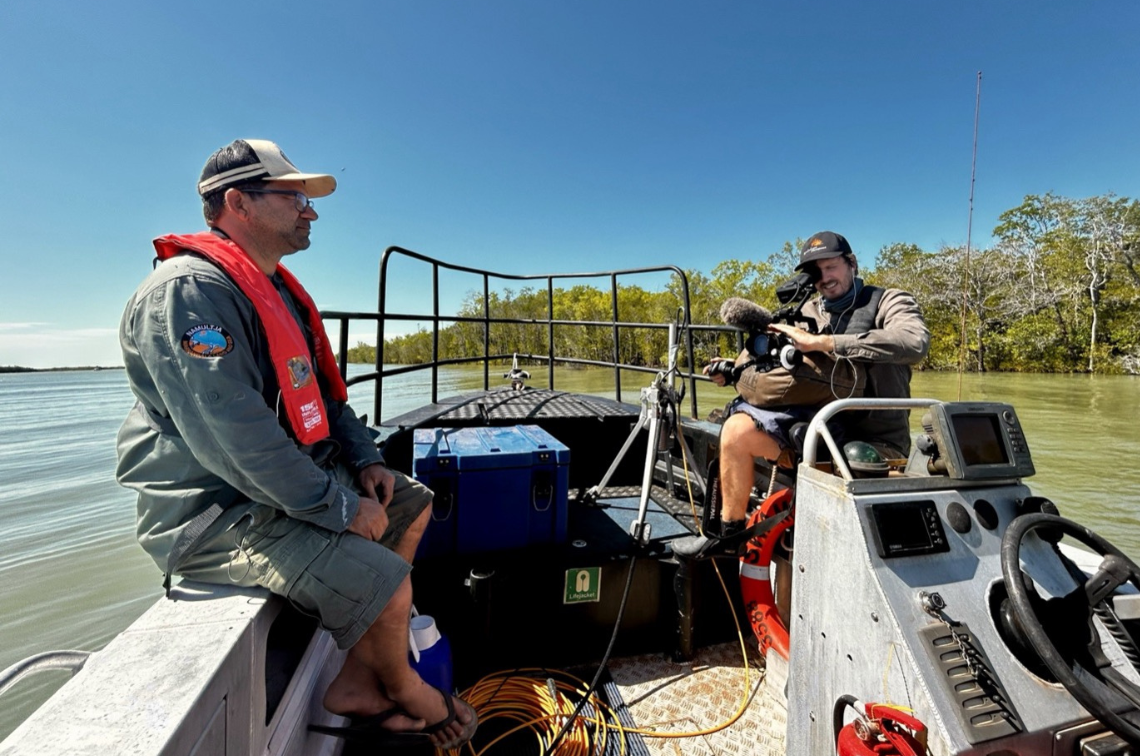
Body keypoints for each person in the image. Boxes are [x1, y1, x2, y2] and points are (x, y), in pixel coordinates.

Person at [116, 138, 477, 749]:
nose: (310, 211)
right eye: (295, 198)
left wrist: (363, 459)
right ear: (238, 203)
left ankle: (361, 677)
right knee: (385, 579)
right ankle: (410, 692)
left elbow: (329, 401)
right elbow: (236, 442)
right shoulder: (188, 294)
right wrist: (340, 507)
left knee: (410, 502)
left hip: (276, 490)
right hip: (215, 513)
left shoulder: (274, 290)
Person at [674, 231, 930, 557]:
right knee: (735, 431)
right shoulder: (806, 310)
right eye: (815, 272)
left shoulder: (888, 300)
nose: (824, 278)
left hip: (876, 439)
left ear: (851, 263)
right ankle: (729, 535)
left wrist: (825, 343)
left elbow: (914, 343)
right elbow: (781, 364)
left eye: (830, 266)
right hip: (815, 428)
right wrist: (734, 371)